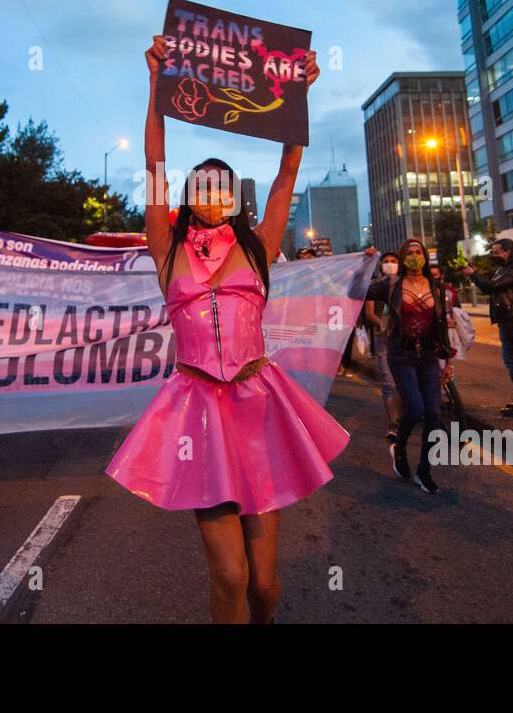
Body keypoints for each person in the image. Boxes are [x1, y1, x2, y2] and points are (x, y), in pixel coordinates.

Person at [106, 35, 349, 624]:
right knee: (231, 574)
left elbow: (288, 172)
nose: (211, 193)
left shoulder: (259, 246)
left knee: (265, 586)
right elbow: (154, 165)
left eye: (223, 184)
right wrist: (156, 86)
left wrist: (298, 98)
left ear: (233, 197)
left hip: (258, 407)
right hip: (198, 416)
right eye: (201, 184)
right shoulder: (166, 249)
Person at [366, 238, 453, 494]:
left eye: (418, 252)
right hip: (400, 354)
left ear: (425, 256)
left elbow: (442, 325)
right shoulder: (391, 285)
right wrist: (367, 261)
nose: (415, 256)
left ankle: (424, 471)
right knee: (414, 409)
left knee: (434, 416)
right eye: (410, 253)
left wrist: (448, 360)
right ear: (404, 258)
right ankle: (400, 448)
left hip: (428, 357)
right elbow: (355, 290)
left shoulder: (436, 287)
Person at [464, 239, 513, 416]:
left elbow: (491, 287)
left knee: (511, 361)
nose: (494, 255)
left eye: (497, 252)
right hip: (508, 320)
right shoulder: (505, 270)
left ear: (508, 252)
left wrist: (473, 274)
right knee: (512, 360)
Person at [364, 253, 403, 442]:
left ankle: (405, 417)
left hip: (404, 339)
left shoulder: (406, 284)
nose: (390, 264)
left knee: (404, 380)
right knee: (388, 381)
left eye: (393, 261)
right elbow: (369, 313)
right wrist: (383, 325)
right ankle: (393, 425)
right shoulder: (375, 286)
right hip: (384, 338)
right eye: (386, 261)